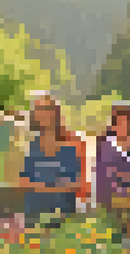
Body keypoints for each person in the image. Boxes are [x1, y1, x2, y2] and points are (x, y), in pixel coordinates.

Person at [18, 93, 83, 223]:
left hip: (62, 218)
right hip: (33, 217)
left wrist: (41, 186)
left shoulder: (71, 146)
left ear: (56, 113)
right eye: (38, 109)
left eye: (47, 109)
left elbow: (75, 184)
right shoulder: (29, 147)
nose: (43, 113)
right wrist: (54, 185)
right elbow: (23, 182)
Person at [96, 102, 130, 244]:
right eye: (118, 123)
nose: (122, 127)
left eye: (126, 122)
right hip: (115, 197)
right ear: (112, 126)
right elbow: (106, 176)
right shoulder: (107, 146)